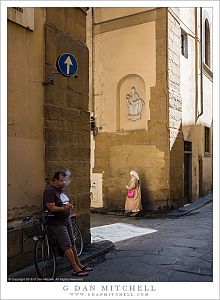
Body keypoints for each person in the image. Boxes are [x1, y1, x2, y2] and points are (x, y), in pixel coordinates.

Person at [43, 171, 92, 277]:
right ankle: (75, 269)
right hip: (57, 223)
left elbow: (63, 201)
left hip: (66, 220)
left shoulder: (61, 190)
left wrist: (68, 206)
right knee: (67, 245)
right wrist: (64, 208)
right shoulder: (49, 191)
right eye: (61, 180)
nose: (63, 182)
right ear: (54, 180)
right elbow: (51, 208)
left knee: (72, 243)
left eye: (64, 180)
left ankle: (79, 264)